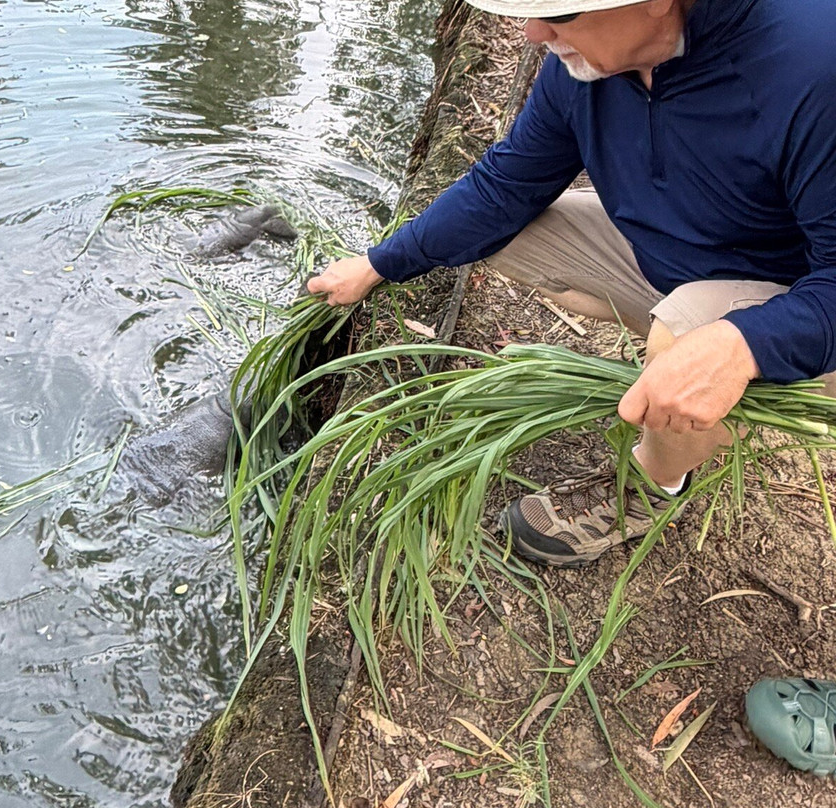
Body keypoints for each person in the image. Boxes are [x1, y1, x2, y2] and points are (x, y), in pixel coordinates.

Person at [308, 0, 836, 777]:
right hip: (684, 256)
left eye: (555, 12)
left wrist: (745, 341)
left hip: (803, 297)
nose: (531, 34)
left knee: (683, 336)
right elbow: (503, 187)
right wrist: (380, 264)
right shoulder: (584, 65)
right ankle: (688, 363)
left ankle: (654, 481)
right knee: (510, 232)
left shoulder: (810, 62)